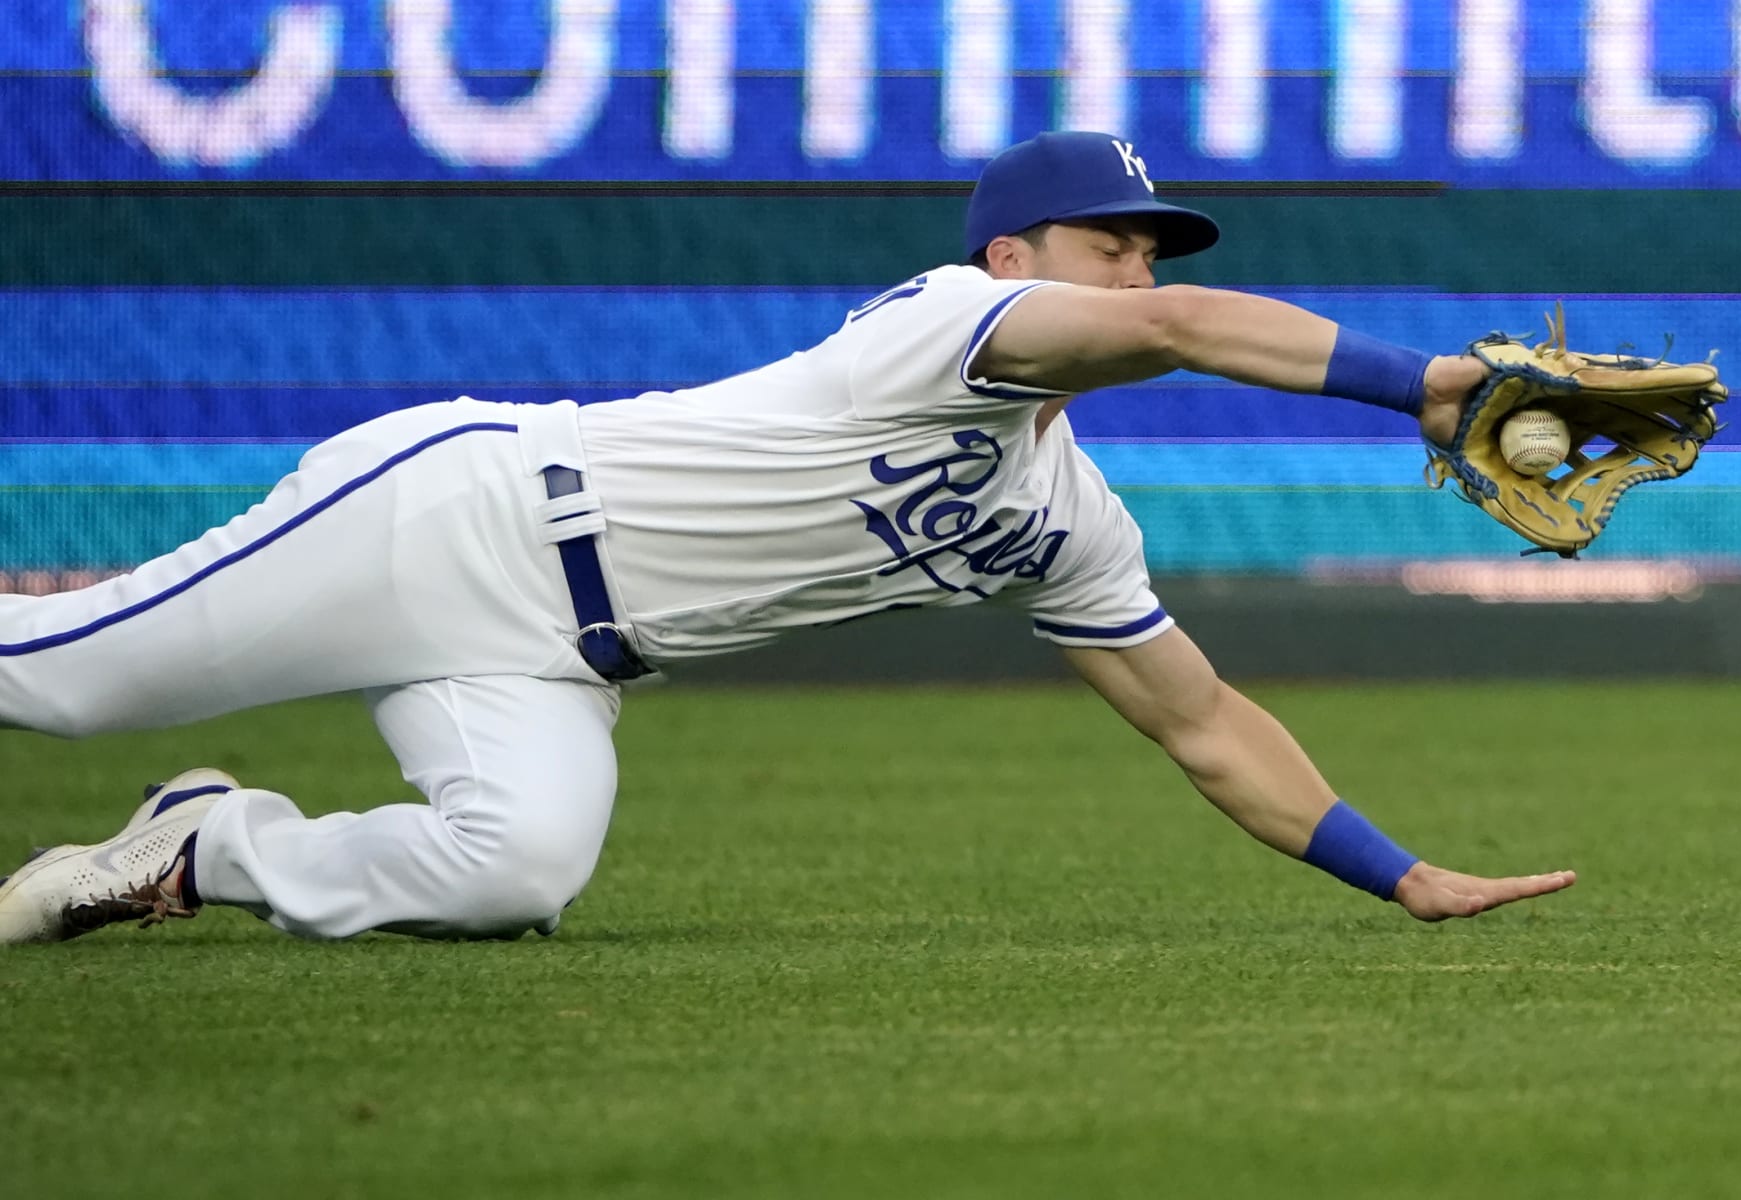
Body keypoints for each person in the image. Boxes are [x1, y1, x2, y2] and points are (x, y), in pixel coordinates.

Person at [0, 131, 1575, 944]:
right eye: (1111, 240)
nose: (1135, 263)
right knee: (51, 679)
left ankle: (201, 847)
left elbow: (1209, 725)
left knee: (515, 872)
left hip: (559, 659)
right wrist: (1426, 387)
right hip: (451, 520)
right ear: (1011, 256)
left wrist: (1405, 874)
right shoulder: (941, 323)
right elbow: (1173, 324)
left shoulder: (1063, 517)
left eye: (1148, 244)